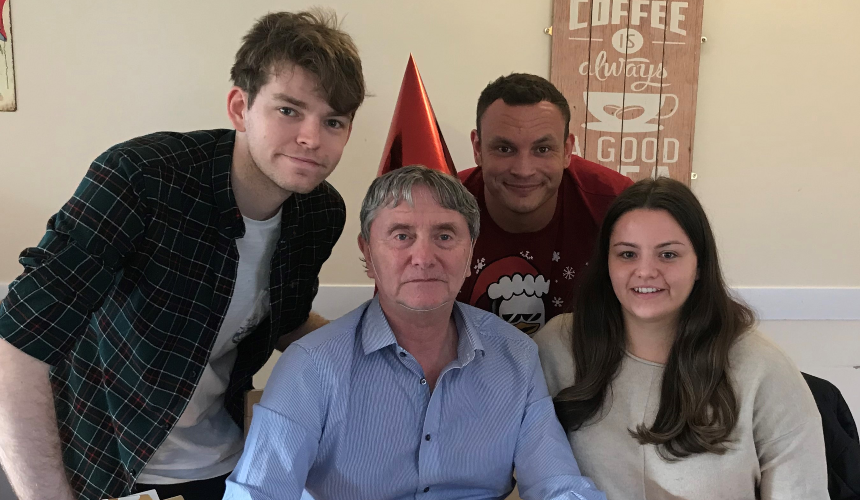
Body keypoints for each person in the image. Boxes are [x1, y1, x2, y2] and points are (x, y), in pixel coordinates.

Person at [0, 10, 365, 500]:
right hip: (102, 467)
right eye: (289, 110)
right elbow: (18, 344)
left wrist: (393, 353)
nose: (311, 137)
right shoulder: (141, 178)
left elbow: (285, 322)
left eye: (333, 121)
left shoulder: (321, 213)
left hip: (226, 464)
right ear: (240, 107)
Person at [224, 165, 606, 500]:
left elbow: (556, 484)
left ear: (470, 251)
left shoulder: (516, 356)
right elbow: (257, 492)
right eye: (402, 235)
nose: (424, 257)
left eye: (444, 235)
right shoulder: (310, 367)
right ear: (368, 254)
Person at [534, 177, 829, 499]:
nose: (645, 271)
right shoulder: (557, 347)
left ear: (700, 265)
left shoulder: (763, 368)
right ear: (606, 263)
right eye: (628, 254)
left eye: (668, 255)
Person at [458, 73, 632, 336]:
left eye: (542, 149)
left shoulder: (617, 205)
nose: (524, 170)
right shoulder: (441, 207)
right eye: (505, 149)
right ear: (478, 148)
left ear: (567, 150)